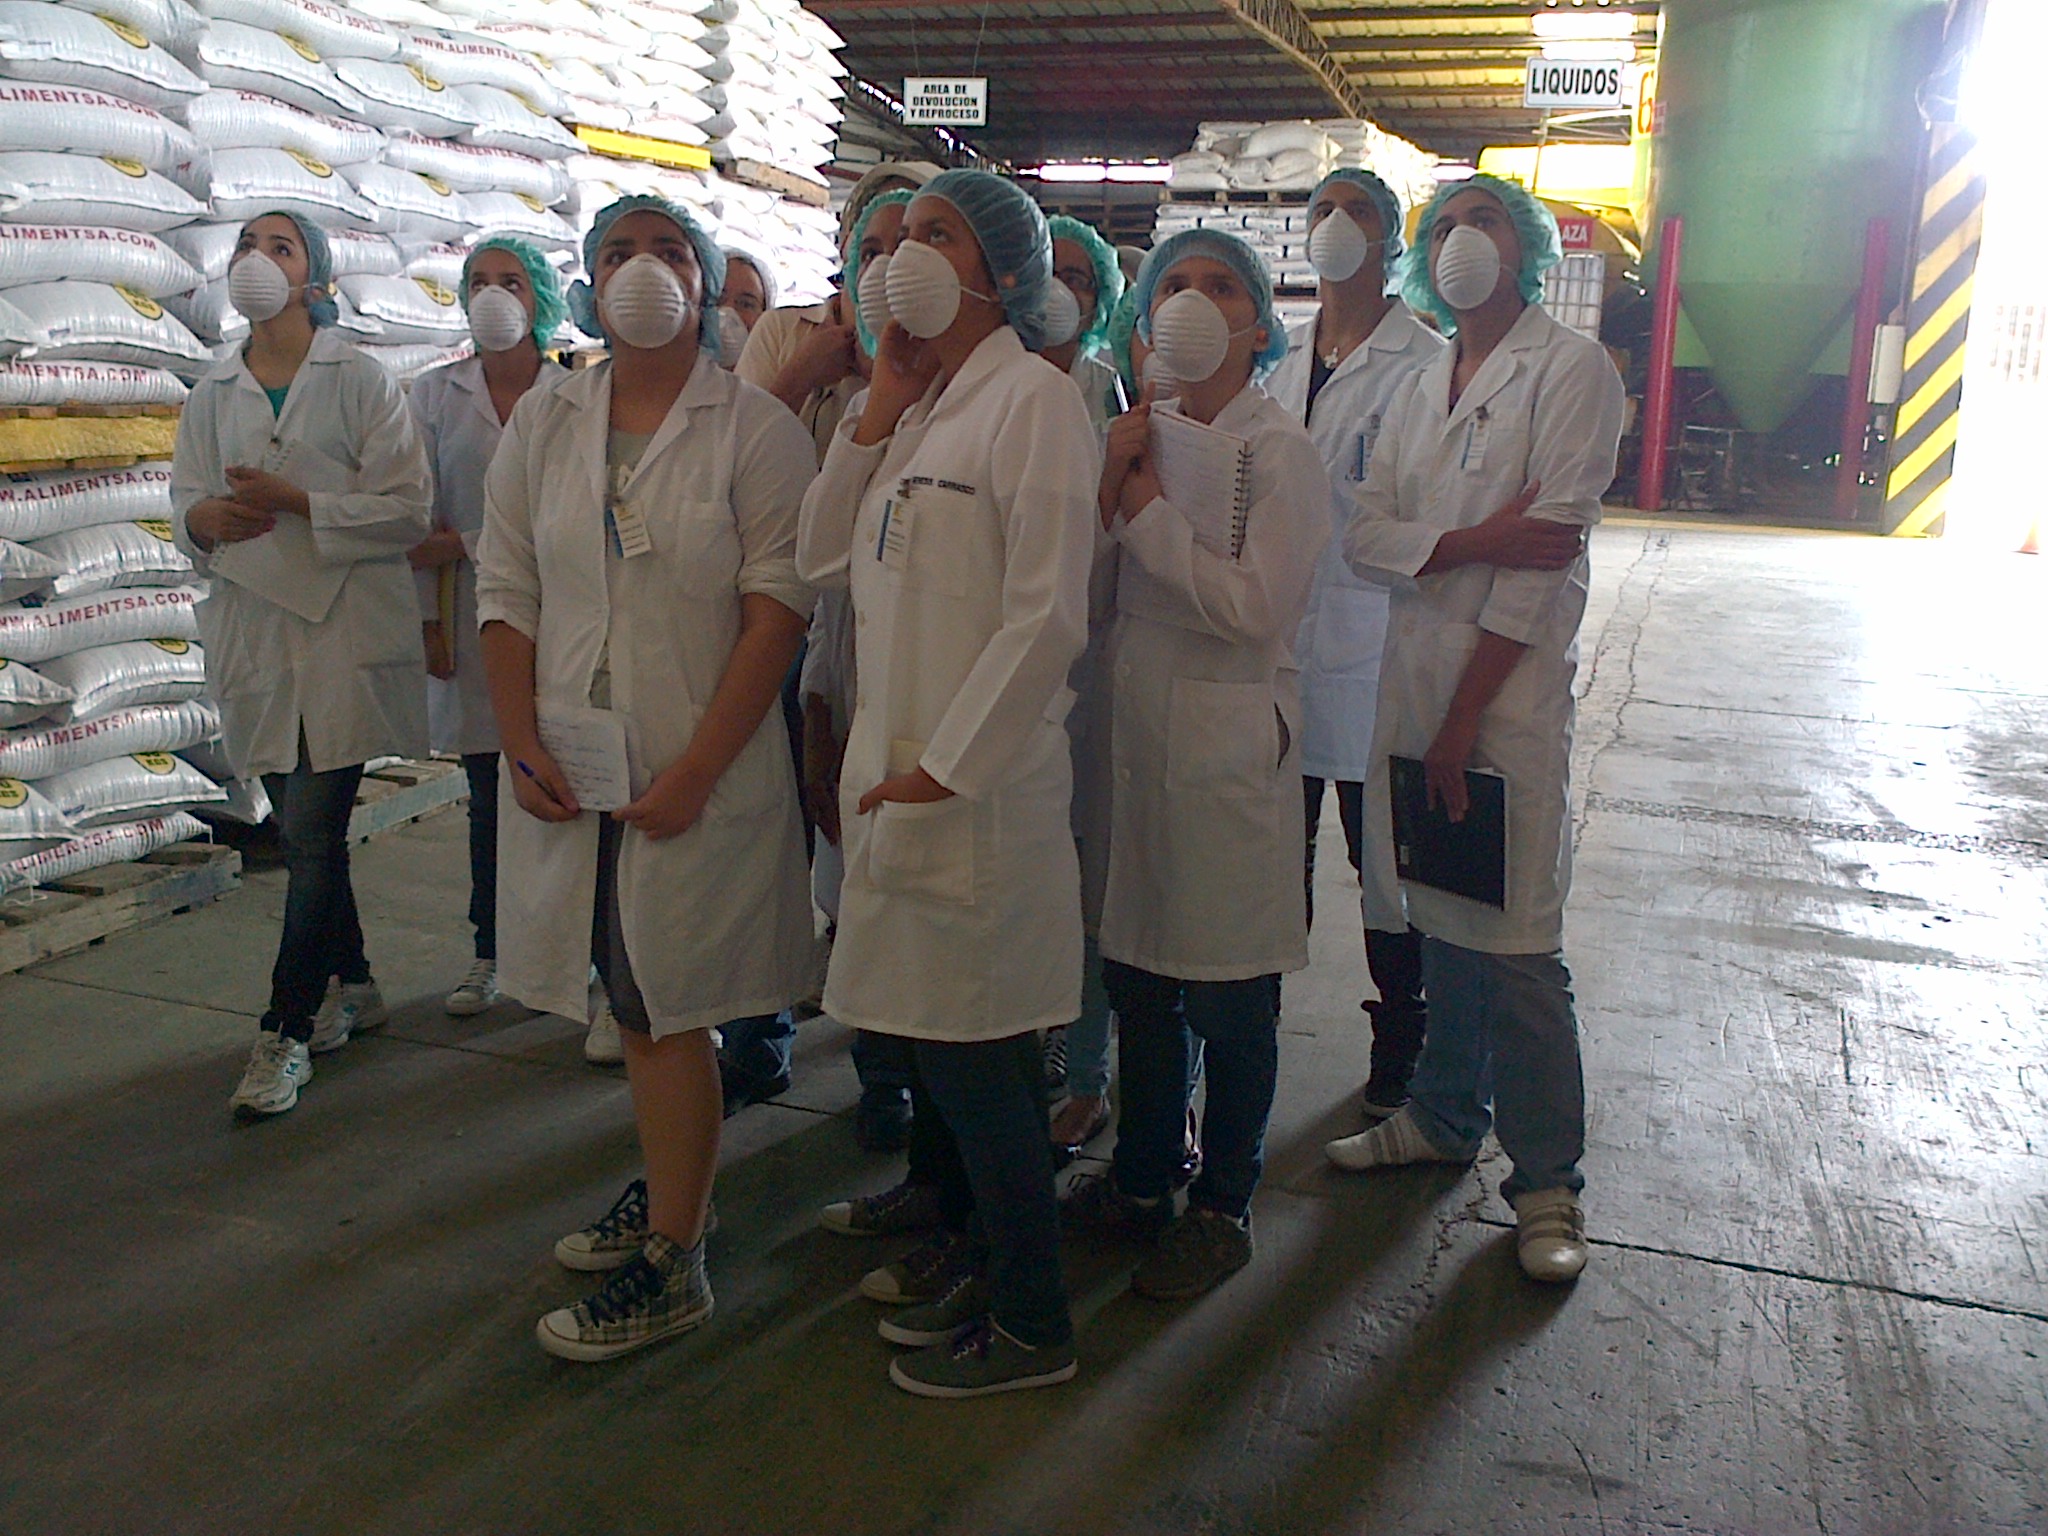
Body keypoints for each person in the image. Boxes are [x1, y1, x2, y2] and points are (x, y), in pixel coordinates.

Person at [476, 195, 817, 1359]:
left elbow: (776, 611)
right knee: (633, 1001)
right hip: (576, 758)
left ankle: (676, 1256)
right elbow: (505, 585)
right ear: (586, 284)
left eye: (667, 252)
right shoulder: (548, 416)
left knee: (664, 1004)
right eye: (617, 252)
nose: (642, 271)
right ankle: (679, 1197)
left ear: (704, 280)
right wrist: (520, 739)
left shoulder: (754, 428)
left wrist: (696, 772)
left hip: (693, 760)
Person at [796, 168, 1096, 1398]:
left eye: (938, 235)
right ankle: (991, 1269)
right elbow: (816, 552)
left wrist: (944, 770)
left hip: (974, 795)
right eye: (896, 236)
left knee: (981, 1070)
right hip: (904, 783)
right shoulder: (922, 411)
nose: (903, 255)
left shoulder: (1035, 403)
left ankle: (1033, 1325)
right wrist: (874, 406)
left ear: (1003, 271)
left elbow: (1047, 618)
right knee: (956, 1061)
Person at [1325, 174, 1625, 1286]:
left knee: (1518, 951)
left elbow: (1546, 561)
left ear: (1527, 245)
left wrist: (1460, 720)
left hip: (1503, 703)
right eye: (1442, 225)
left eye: (1484, 220)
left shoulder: (1570, 370)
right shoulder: (1419, 383)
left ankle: (1546, 1185)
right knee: (1442, 919)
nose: (1460, 240)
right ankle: (1444, 1116)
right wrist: (1474, 539)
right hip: (1411, 687)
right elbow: (1364, 536)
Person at [1063, 230, 1329, 1299]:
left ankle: (1223, 1203)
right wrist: (1107, 490)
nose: (1191, 300)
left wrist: (1139, 513)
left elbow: (1253, 608)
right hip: (1132, 737)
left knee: (1229, 995)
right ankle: (1141, 1177)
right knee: (1139, 980)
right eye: (1172, 283)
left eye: (1220, 286)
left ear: (1257, 328)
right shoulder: (1136, 434)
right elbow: (1086, 591)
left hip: (1225, 745)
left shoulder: (1279, 451)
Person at [171, 211, 432, 1118]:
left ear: (314, 277)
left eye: (279, 247)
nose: (256, 259)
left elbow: (408, 510)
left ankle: (283, 1029)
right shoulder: (212, 392)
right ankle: (353, 983)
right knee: (310, 836)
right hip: (258, 636)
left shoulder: (360, 380)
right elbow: (185, 503)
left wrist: (302, 502)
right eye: (247, 245)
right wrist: (201, 521)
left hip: (343, 639)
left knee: (311, 840)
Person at [719, 185, 928, 1127]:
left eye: (905, 244)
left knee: (874, 845)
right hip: (776, 618)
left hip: (885, 629)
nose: (884, 264)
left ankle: (887, 1072)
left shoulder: (938, 352)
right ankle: (757, 1039)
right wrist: (809, 375)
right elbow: (724, 456)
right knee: (769, 831)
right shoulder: (788, 337)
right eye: (868, 245)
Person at [1263, 169, 1445, 1121]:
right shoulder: (1283, 358)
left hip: (1377, 648)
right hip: (1282, 646)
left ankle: (1402, 1036)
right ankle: (1249, 1025)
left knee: (1385, 867)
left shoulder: (1426, 362)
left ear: (1391, 239)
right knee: (1269, 856)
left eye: (1358, 211)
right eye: (1322, 210)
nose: (1336, 225)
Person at [407, 235, 573, 1034]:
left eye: (511, 281)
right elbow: (417, 520)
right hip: (474, 620)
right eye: (478, 282)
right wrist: (429, 622)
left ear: (542, 297)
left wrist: (467, 542)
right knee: (488, 793)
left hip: (567, 610)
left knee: (570, 782)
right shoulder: (436, 395)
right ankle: (491, 947)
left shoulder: (574, 394)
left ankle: (575, 950)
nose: (494, 295)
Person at [1039, 214, 1126, 431]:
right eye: (1045, 272)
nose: (1055, 288)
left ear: (1099, 304)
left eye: (1074, 279)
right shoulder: (995, 377)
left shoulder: (1106, 388)